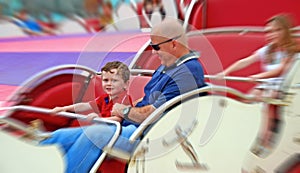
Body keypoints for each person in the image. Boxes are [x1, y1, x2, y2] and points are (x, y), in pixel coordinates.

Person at [40, 18, 206, 173]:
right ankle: (36, 159)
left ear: (174, 44)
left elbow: (152, 113)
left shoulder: (186, 72)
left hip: (146, 135)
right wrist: (131, 110)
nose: (154, 53)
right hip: (135, 126)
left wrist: (123, 110)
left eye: (156, 47)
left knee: (94, 135)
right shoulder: (169, 65)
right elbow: (150, 98)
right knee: (62, 136)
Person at [217, 14, 299, 152]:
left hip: (285, 88)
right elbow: (245, 61)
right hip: (266, 85)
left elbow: (280, 70)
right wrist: (225, 73)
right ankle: (245, 134)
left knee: (266, 103)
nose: (272, 35)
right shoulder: (268, 50)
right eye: (269, 32)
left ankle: (265, 142)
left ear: (285, 31)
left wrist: (259, 76)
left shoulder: (291, 50)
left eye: (276, 30)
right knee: (247, 99)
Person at [51, 61, 133, 123]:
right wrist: (64, 108)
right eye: (105, 80)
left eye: (114, 80)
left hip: (115, 131)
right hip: (103, 128)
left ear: (126, 84)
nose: (109, 84)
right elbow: (85, 105)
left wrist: (98, 119)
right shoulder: (104, 98)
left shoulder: (124, 99)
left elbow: (118, 119)